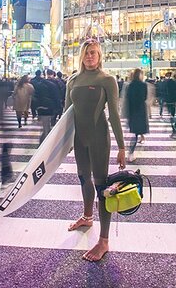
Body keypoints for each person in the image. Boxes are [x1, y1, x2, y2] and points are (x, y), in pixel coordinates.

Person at [65, 39, 125, 262]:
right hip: (80, 139)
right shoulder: (73, 80)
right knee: (83, 178)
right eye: (86, 53)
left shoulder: (107, 80)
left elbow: (115, 116)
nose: (90, 56)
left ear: (100, 56)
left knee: (102, 187)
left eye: (94, 53)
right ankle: (87, 217)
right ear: (81, 56)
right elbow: (66, 116)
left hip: (100, 138)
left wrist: (121, 146)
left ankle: (104, 240)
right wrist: (64, 143)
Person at [124, 68, 148, 162]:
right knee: (135, 133)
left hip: (132, 110)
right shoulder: (143, 85)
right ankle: (131, 152)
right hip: (140, 110)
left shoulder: (130, 85)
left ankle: (141, 137)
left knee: (135, 130)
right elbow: (144, 97)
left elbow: (127, 98)